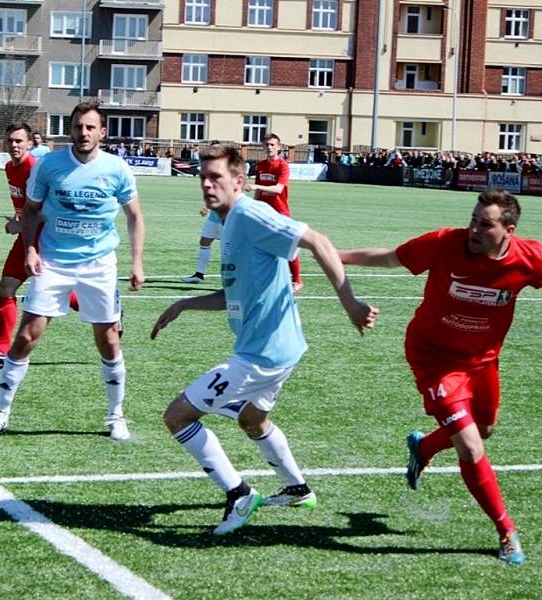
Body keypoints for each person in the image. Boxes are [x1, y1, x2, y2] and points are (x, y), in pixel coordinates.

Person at [151, 143, 377, 535]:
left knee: (177, 416)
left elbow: (319, 242)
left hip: (262, 356)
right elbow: (234, 294)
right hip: (279, 349)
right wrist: (184, 304)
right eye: (203, 177)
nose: (207, 184)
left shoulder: (252, 214)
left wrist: (351, 304)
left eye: (216, 177)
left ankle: (239, 494)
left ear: (239, 182)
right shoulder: (229, 222)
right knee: (253, 420)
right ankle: (297, 488)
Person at [339, 189, 537, 565]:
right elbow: (390, 258)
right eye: (473, 219)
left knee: (485, 430)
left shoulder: (529, 259)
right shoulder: (446, 243)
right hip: (435, 359)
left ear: (508, 230)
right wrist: (337, 255)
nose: (473, 229)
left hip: (483, 362)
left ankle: (424, 448)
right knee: (471, 446)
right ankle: (506, 530)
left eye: (485, 224)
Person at [0, 101, 145, 442]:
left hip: (99, 264)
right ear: (69, 130)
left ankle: (116, 416)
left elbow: (134, 217)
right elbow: (30, 210)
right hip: (53, 260)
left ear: (102, 132)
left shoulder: (117, 168)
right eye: (77, 127)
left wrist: (136, 262)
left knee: (109, 340)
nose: (83, 133)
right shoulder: (50, 165)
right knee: (26, 337)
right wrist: (30, 249)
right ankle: (0, 413)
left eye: (89, 127)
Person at [0, 122, 77, 368]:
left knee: (56, 291)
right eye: (10, 141)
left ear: (30, 143)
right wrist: (20, 225)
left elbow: (48, 211)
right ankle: (1, 349)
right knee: (6, 288)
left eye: (19, 141)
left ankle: (107, 313)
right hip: (26, 238)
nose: (14, 145)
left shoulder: (34, 168)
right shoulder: (10, 167)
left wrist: (18, 226)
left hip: (44, 240)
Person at [245, 133, 303, 293]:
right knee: (256, 245)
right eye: (267, 144)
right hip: (263, 213)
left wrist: (257, 187)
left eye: (272, 145)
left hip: (280, 212)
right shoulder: (261, 165)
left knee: (288, 245)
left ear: (278, 147)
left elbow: (278, 189)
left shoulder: (282, 166)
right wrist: (253, 208)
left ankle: (297, 280)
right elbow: (258, 192)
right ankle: (256, 278)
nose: (269, 147)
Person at [180, 206, 222, 283]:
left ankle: (236, 277)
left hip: (227, 219)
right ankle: (199, 275)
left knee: (229, 248)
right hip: (213, 218)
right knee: (204, 242)